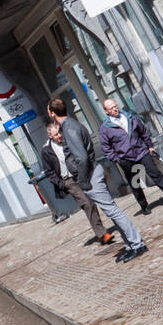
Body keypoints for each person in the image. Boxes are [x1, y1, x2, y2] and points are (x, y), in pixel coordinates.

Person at [47, 98, 147, 262]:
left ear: (52, 113)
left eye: (48, 111)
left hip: (90, 175)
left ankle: (137, 244)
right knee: (111, 211)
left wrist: (83, 180)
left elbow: (81, 157)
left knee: (113, 211)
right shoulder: (71, 124)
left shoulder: (69, 128)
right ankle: (130, 244)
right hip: (92, 173)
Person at [100, 98, 163, 214]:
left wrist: (149, 145)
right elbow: (106, 148)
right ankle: (144, 206)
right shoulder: (105, 128)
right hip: (126, 158)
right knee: (135, 183)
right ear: (106, 111)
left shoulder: (130, 117)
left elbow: (143, 132)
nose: (115, 109)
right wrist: (118, 159)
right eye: (111, 108)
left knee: (155, 173)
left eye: (115, 106)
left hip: (141, 151)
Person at [41, 122, 115, 245]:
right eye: (56, 135)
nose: (59, 136)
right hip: (68, 181)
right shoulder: (46, 150)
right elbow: (49, 171)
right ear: (50, 136)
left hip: (82, 174)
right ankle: (102, 234)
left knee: (100, 196)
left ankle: (116, 220)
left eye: (59, 132)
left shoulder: (69, 140)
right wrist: (61, 184)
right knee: (87, 203)